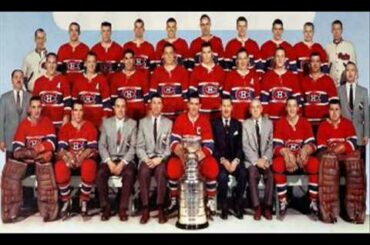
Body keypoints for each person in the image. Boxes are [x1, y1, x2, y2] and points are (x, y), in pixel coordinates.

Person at [2, 96, 57, 223]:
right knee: (11, 175)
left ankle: (47, 211)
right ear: (29, 109)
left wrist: (41, 148)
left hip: (42, 161)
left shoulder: (47, 122)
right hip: (28, 162)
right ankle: (10, 212)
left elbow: (53, 143)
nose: (36, 110)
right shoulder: (24, 125)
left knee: (46, 178)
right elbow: (17, 148)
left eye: (39, 107)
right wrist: (32, 152)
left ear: (41, 108)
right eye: (33, 107)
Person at [166, 92, 219, 216]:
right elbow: (173, 141)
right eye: (192, 104)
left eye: (196, 104)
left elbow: (210, 144)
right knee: (173, 168)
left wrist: (202, 153)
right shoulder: (180, 119)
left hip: (198, 156)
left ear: (200, 106)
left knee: (212, 167)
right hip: (183, 155)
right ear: (188, 105)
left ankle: (210, 201)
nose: (194, 107)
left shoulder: (204, 120)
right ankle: (174, 200)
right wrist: (179, 151)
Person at [317, 99, 365, 224]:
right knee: (329, 162)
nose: (334, 113)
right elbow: (321, 148)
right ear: (328, 111)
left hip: (345, 160)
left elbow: (353, 143)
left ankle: (355, 211)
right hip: (331, 160)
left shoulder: (347, 124)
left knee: (355, 164)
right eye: (331, 110)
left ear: (340, 111)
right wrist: (334, 153)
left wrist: (341, 148)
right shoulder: (323, 126)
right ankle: (329, 212)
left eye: (336, 109)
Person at [272, 97, 319, 219]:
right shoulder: (281, 123)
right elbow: (276, 146)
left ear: (298, 108)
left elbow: (313, 145)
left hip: (301, 159)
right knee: (277, 165)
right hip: (288, 159)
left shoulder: (304, 122)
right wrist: (286, 152)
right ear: (286, 108)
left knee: (314, 164)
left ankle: (313, 201)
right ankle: (283, 201)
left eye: (294, 106)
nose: (292, 108)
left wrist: (305, 150)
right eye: (289, 106)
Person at [55, 101, 98, 218]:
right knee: (60, 166)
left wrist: (82, 157)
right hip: (71, 159)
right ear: (72, 112)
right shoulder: (66, 127)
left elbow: (92, 148)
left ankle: (84, 200)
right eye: (76, 110)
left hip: (84, 160)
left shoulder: (89, 126)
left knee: (90, 165)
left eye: (80, 110)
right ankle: (66, 200)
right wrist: (68, 158)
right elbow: (62, 149)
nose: (78, 113)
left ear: (83, 112)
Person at [96, 97, 137, 222]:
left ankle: (122, 208)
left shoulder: (132, 124)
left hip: (125, 159)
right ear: (113, 108)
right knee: (101, 173)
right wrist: (108, 161)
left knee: (129, 173)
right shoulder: (107, 123)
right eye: (118, 106)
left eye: (123, 106)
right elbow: (101, 145)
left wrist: (122, 164)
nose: (120, 109)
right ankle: (106, 207)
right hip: (110, 158)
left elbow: (134, 147)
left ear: (126, 108)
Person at [136, 93, 172, 224]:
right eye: (154, 103)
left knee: (162, 172)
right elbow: (139, 146)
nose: (156, 106)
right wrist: (146, 159)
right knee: (144, 171)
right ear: (150, 105)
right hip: (147, 158)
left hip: (161, 159)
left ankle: (160, 207)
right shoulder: (142, 123)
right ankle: (145, 208)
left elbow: (169, 148)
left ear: (162, 106)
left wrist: (160, 158)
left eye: (159, 103)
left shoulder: (168, 123)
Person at [212, 97, 246, 220]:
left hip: (235, 161)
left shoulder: (238, 124)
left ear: (232, 108)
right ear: (220, 107)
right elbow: (213, 146)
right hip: (221, 160)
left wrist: (236, 161)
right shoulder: (214, 124)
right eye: (224, 106)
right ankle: (224, 204)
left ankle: (237, 203)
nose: (226, 109)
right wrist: (223, 160)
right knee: (222, 177)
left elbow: (241, 146)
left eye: (228, 106)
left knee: (243, 173)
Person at [242, 99, 274, 221]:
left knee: (270, 175)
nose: (255, 110)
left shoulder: (269, 124)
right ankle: (257, 207)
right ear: (250, 110)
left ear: (261, 109)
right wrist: (256, 161)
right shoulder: (245, 124)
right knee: (251, 173)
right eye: (252, 107)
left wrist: (265, 158)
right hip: (252, 161)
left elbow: (271, 145)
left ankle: (267, 206)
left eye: (257, 107)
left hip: (265, 160)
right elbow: (245, 146)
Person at [260, 47, 301, 122]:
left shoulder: (292, 77)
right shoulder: (267, 76)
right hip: (271, 120)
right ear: (274, 58)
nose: (280, 59)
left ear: (285, 59)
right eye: (277, 56)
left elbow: (297, 100)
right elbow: (264, 100)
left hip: (288, 120)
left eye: (282, 56)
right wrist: (266, 119)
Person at [150, 43, 189, 120]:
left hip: (179, 115)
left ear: (175, 55)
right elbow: (152, 95)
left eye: (171, 53)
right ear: (163, 55)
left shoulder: (182, 71)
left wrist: (184, 115)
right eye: (166, 53)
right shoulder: (157, 71)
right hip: (162, 116)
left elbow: (185, 97)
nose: (168, 56)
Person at [301, 52, 338, 134]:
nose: (315, 64)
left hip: (323, 124)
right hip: (307, 124)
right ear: (310, 64)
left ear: (321, 63)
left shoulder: (328, 80)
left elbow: (334, 103)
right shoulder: (304, 80)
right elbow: (300, 103)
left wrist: (331, 120)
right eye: (313, 61)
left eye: (317, 61)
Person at [72, 51, 111, 128]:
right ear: (85, 63)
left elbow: (107, 105)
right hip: (82, 124)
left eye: (93, 62)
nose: (91, 64)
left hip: (98, 123)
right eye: (89, 62)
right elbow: (73, 105)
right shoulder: (78, 80)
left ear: (96, 64)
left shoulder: (102, 80)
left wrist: (103, 125)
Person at [33, 52, 71, 129]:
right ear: (46, 64)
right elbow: (35, 104)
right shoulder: (38, 82)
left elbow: (68, 102)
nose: (51, 65)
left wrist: (66, 117)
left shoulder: (63, 80)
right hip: (43, 124)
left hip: (59, 124)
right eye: (49, 62)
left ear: (57, 64)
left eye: (54, 63)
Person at [339, 62, 369, 160]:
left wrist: (366, 134)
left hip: (360, 135)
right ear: (345, 73)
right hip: (344, 137)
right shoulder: (339, 90)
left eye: (352, 70)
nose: (350, 73)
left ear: (356, 73)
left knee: (360, 166)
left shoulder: (363, 91)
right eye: (347, 70)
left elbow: (367, 114)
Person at [189, 42, 226, 120]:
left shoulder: (220, 70)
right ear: (201, 54)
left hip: (217, 114)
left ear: (212, 53)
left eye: (208, 52)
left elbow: (223, 94)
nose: (206, 55)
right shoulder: (196, 71)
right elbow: (192, 94)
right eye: (204, 52)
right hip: (201, 114)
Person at [0, 70, 31, 160]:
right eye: (16, 77)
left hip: (25, 141)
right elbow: (1, 120)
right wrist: (1, 140)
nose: (18, 79)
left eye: (21, 77)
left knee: (25, 170)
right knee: (10, 170)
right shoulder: (4, 98)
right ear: (12, 80)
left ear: (23, 80)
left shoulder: (29, 97)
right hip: (9, 140)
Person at [110, 49, 149, 121]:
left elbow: (147, 101)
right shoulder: (116, 77)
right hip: (122, 118)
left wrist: (146, 118)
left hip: (139, 117)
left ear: (134, 60)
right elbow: (113, 102)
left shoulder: (142, 76)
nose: (128, 61)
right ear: (123, 60)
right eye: (126, 58)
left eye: (131, 58)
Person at [223, 48, 260, 121]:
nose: (242, 61)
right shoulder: (230, 76)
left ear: (248, 60)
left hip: (250, 121)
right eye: (240, 59)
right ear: (237, 61)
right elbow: (225, 101)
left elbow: (257, 101)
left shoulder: (254, 76)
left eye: (244, 58)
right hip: (234, 120)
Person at [57, 22, 89, 87]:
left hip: (81, 86)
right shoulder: (62, 49)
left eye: (76, 30)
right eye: (71, 30)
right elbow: (58, 71)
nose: (73, 33)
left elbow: (89, 71)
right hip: (65, 86)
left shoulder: (85, 48)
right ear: (69, 32)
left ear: (79, 32)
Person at [326, 20, 357, 86]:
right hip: (332, 86)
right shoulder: (327, 48)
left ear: (342, 30)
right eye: (334, 29)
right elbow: (325, 69)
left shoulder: (349, 46)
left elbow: (354, 68)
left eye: (338, 29)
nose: (336, 32)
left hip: (346, 85)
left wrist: (355, 86)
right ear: (331, 31)